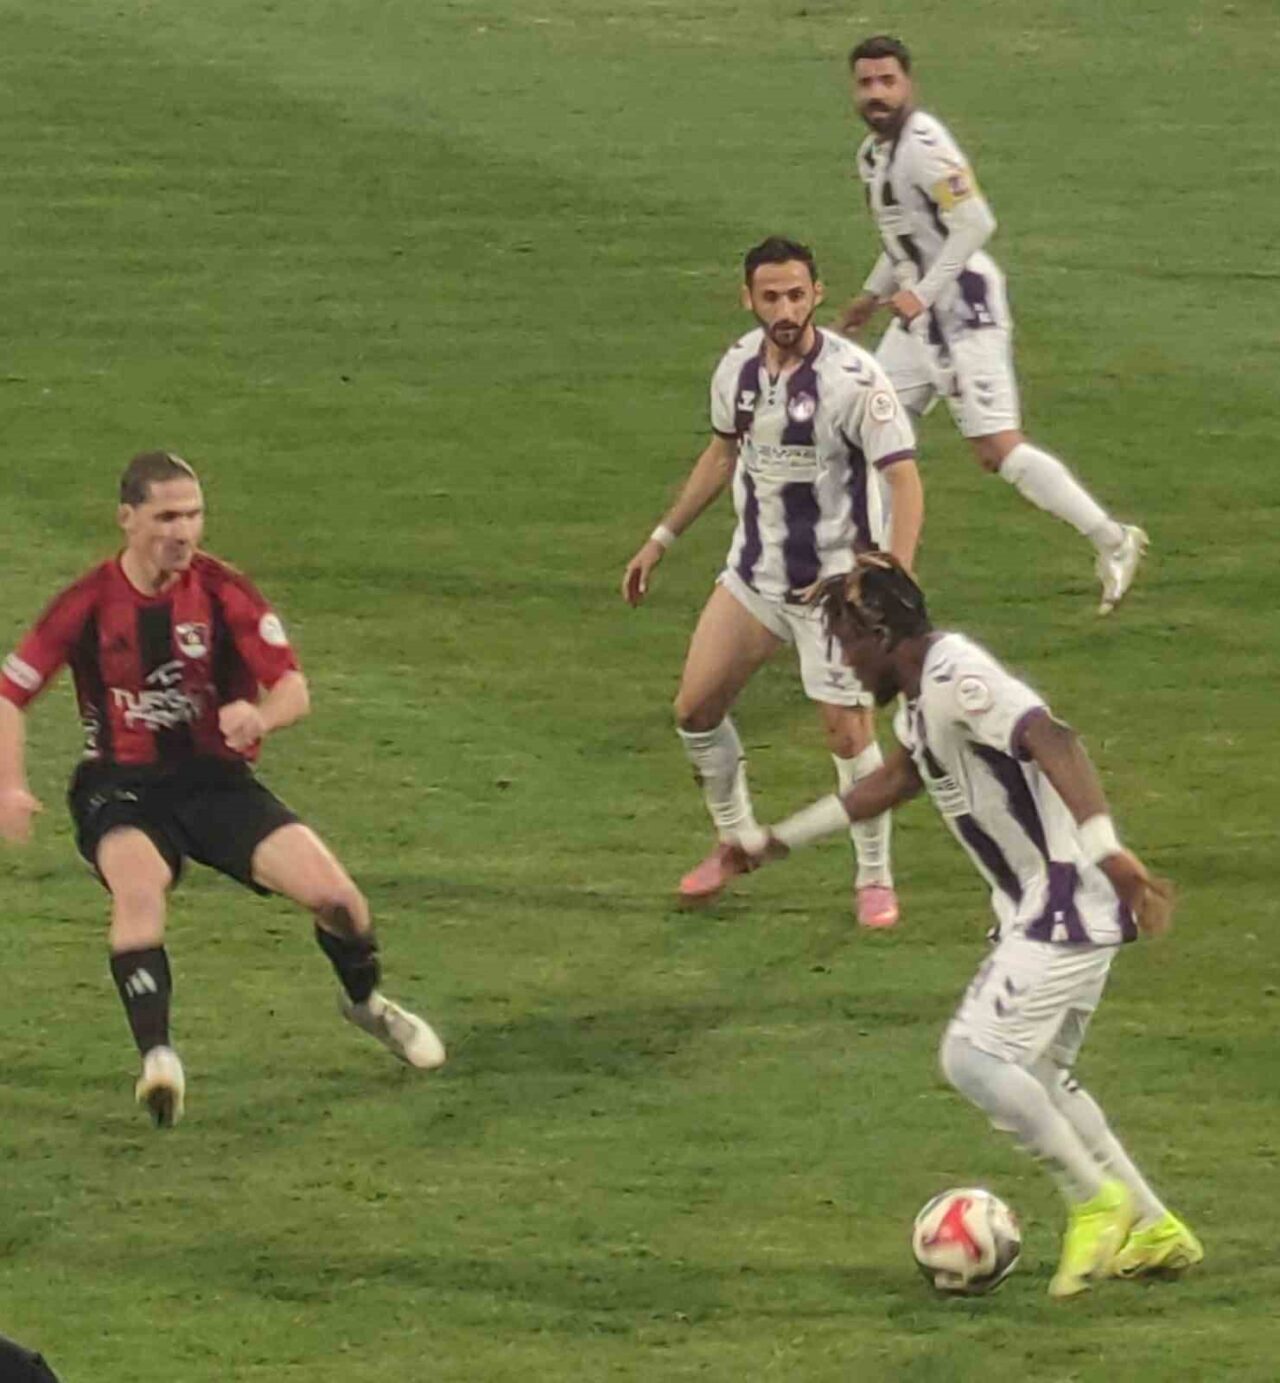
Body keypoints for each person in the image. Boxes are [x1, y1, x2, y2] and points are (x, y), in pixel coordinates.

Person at [716, 552, 1202, 1296]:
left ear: (883, 633)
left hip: (1063, 897)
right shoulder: (919, 703)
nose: (843, 662)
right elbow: (895, 779)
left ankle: (1093, 1200)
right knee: (1042, 1075)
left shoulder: (956, 675)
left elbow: (1053, 737)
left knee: (973, 1058)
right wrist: (776, 841)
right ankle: (1153, 1226)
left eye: (847, 643)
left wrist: (1108, 849)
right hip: (1049, 906)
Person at [0, 452, 445, 1128]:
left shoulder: (224, 593)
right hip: (119, 787)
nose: (182, 531)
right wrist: (10, 784)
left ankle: (366, 1004)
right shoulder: (87, 602)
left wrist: (261, 717)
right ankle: (158, 1059)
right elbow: (10, 693)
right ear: (127, 519)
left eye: (193, 515)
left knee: (339, 901)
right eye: (166, 517)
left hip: (215, 783)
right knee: (139, 890)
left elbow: (293, 687)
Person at [621, 236, 924, 927]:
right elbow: (721, 453)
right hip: (756, 579)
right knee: (694, 709)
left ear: (817, 293)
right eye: (770, 297)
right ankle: (736, 839)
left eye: (795, 295)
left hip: (837, 594)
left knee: (848, 735)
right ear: (748, 299)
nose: (785, 310)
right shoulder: (736, 368)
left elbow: (905, 481)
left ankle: (874, 878)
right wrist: (660, 538)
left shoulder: (855, 379)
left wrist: (894, 576)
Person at [838, 35, 1146, 616]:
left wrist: (922, 293)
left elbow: (976, 223)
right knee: (869, 427)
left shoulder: (924, 146)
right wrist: (870, 295)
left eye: (887, 81)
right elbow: (909, 238)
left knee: (996, 448)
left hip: (962, 311)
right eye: (866, 83)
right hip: (919, 316)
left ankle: (1114, 540)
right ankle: (875, 577)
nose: (877, 93)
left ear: (908, 85)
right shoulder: (873, 156)